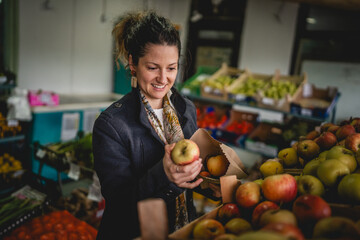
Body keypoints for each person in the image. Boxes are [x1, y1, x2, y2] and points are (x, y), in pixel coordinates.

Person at [92, 10, 220, 239]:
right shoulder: (111, 125)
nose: (163, 78)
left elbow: (190, 177)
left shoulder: (186, 109)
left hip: (181, 229)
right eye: (152, 68)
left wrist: (208, 184)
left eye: (171, 68)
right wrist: (165, 175)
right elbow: (120, 203)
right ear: (133, 63)